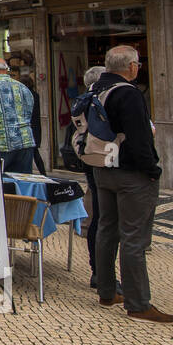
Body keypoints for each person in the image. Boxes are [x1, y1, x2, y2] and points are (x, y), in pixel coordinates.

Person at [91, 46, 173, 323]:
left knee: (107, 229)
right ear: (131, 66)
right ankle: (138, 303)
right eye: (137, 64)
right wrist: (152, 170)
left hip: (103, 169)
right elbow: (140, 139)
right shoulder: (128, 93)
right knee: (133, 238)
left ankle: (106, 291)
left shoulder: (96, 90)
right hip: (130, 174)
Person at [75, 65, 118, 293]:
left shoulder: (83, 100)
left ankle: (98, 270)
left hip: (90, 160)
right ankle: (103, 273)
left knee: (99, 217)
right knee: (107, 219)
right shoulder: (102, 100)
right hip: (107, 161)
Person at [0, 57, 36, 173]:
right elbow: (29, 112)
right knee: (24, 182)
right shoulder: (22, 87)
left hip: (0, 143)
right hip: (25, 141)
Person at [20, 73, 46, 173]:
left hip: (29, 127)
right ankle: (43, 173)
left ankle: (34, 173)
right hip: (35, 127)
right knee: (34, 153)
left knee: (32, 153)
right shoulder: (35, 94)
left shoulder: (24, 96)